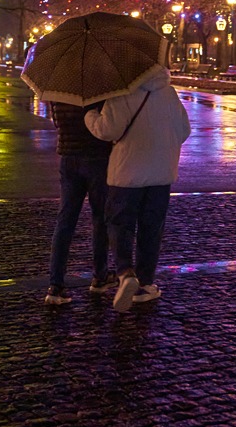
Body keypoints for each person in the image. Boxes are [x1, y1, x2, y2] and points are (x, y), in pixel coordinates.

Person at [85, 68, 191, 312]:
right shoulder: (169, 93)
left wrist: (90, 116)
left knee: (118, 223)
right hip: (161, 174)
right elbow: (183, 131)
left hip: (126, 174)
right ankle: (145, 284)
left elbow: (107, 130)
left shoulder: (120, 94)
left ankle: (124, 272)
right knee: (151, 228)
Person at [44, 100, 115, 305]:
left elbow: (57, 123)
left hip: (68, 158)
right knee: (100, 218)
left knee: (65, 220)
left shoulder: (59, 90)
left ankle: (56, 285)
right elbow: (106, 126)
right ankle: (100, 277)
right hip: (98, 158)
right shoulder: (99, 90)